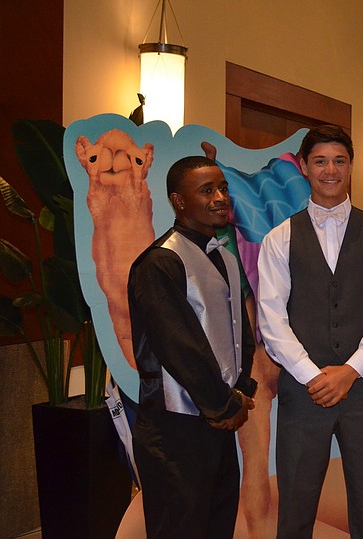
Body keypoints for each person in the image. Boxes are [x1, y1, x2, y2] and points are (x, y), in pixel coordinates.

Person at [256, 125, 363, 539]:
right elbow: (272, 320)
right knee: (296, 509)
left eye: (339, 160)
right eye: (320, 161)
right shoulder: (279, 238)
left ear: (352, 167)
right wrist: (312, 375)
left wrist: (350, 370)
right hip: (303, 392)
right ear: (304, 167)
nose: (330, 170)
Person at [128, 155, 257, 539]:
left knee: (217, 524)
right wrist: (222, 404)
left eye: (223, 188)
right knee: (180, 528)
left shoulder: (225, 257)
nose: (220, 197)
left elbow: (240, 334)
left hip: (218, 422)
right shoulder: (160, 262)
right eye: (207, 190)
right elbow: (179, 346)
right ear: (178, 201)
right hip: (175, 429)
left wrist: (241, 391)